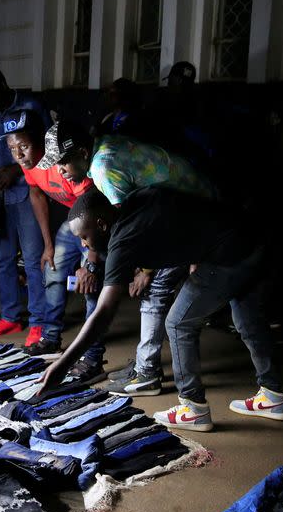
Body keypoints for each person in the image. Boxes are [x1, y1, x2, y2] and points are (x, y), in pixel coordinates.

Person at [36, 188, 283, 432]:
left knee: (178, 323)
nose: (82, 243)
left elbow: (103, 313)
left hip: (226, 255)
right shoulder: (136, 198)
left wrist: (62, 364)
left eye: (84, 237)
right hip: (251, 235)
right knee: (248, 319)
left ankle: (193, 408)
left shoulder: (122, 240)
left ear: (102, 225)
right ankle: (273, 395)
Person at [42, 120, 215, 393]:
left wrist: (145, 269)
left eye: (63, 162)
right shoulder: (104, 146)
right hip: (182, 206)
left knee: (153, 293)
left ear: (83, 154)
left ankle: (147, 373)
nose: (60, 170)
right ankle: (146, 365)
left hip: (189, 212)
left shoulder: (102, 169)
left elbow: (132, 229)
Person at [0, 110, 107, 379]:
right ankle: (51, 338)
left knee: (90, 286)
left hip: (96, 223)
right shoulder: (28, 165)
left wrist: (91, 260)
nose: (19, 154)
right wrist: (47, 245)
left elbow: (94, 213)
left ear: (39, 141)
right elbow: (36, 195)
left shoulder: (65, 163)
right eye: (12, 148)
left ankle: (93, 359)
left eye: (24, 146)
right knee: (54, 270)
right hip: (73, 222)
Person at [0, 65, 52, 347]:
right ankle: (10, 316)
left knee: (32, 259)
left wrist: (15, 171)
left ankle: (39, 321)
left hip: (28, 190)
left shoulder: (31, 105)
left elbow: (47, 147)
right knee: (4, 259)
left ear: (4, 85)